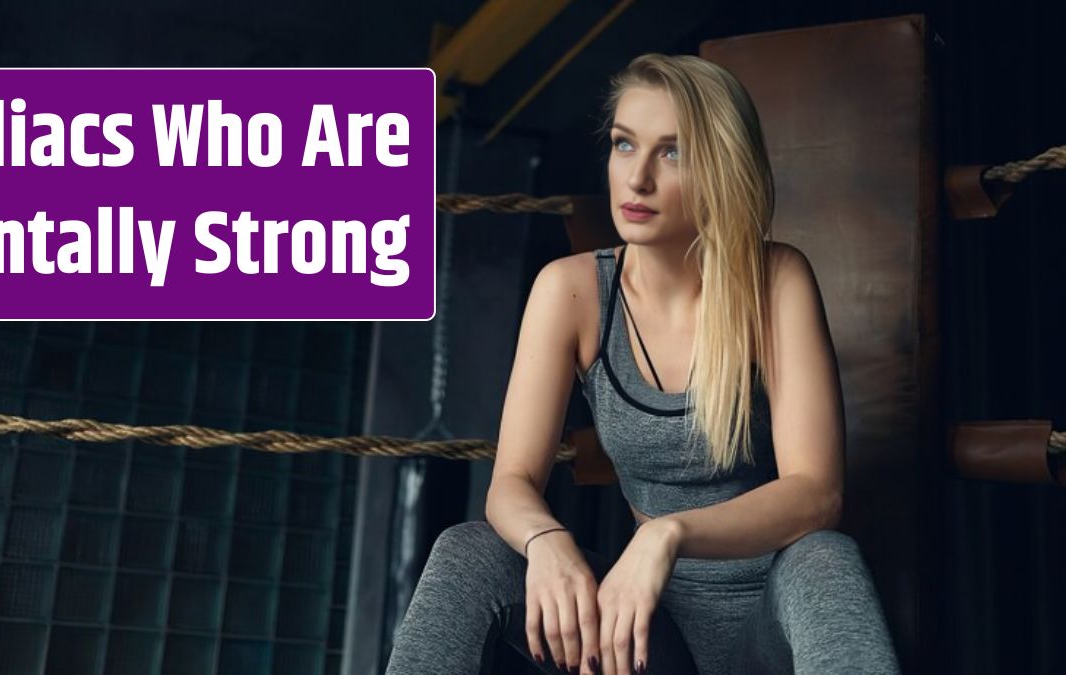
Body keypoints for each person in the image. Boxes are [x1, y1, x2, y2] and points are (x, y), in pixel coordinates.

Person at [385, 53, 900, 675]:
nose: (637, 179)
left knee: (825, 556)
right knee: (468, 552)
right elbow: (512, 480)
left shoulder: (776, 281)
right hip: (643, 635)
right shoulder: (571, 292)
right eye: (625, 145)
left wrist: (666, 533)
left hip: (775, 631)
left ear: (720, 168)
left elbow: (817, 494)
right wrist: (546, 542)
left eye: (673, 153)